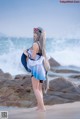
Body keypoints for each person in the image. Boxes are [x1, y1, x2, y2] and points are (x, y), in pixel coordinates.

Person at [23, 27, 49, 111]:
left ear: (38, 35)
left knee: (36, 89)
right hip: (41, 67)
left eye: (34, 34)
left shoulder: (35, 44)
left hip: (36, 68)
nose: (33, 36)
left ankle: (42, 108)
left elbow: (33, 57)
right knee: (39, 88)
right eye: (33, 34)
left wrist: (26, 54)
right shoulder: (42, 44)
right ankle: (39, 106)